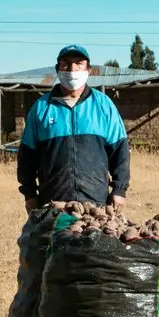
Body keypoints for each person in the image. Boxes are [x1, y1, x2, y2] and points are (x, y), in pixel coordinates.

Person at [17, 44, 130, 211]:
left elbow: (120, 150)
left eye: (79, 63)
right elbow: (27, 156)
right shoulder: (41, 107)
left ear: (89, 69)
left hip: (96, 204)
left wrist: (119, 189)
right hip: (53, 203)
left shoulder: (104, 105)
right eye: (66, 63)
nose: (72, 69)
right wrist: (30, 194)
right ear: (57, 69)